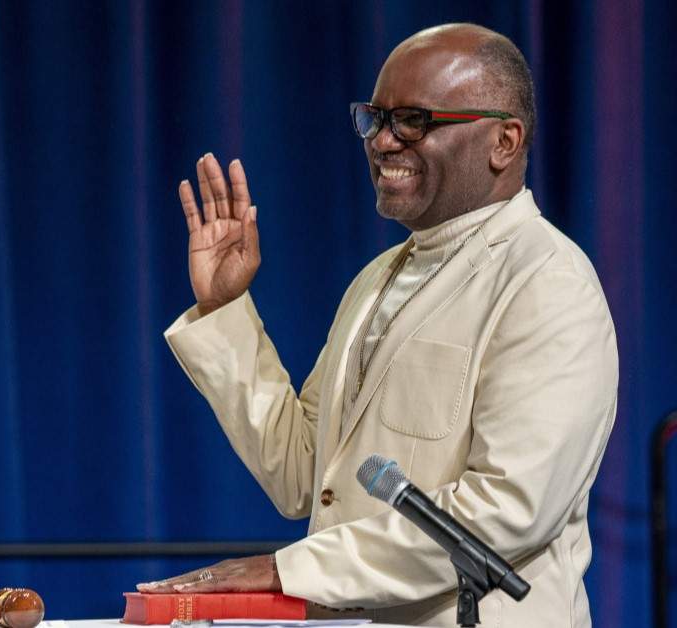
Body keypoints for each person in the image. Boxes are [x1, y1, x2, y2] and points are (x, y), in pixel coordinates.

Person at [137, 23, 616, 627]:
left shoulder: (547, 282)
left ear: (504, 140)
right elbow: (303, 475)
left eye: (413, 120)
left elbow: (506, 513)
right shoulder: (376, 279)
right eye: (375, 118)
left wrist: (292, 570)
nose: (383, 142)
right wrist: (224, 310)